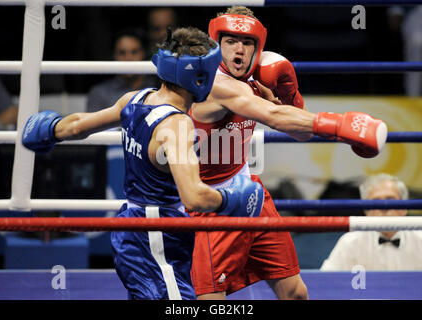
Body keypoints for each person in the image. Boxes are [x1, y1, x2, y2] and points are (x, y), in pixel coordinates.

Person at [21, 27, 265, 300]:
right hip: (157, 235)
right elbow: (194, 196)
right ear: (199, 76)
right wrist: (232, 199)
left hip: (134, 226)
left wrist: (51, 128)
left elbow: (77, 126)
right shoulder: (177, 124)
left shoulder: (135, 98)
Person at [188, 6, 388, 300]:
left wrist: (290, 98)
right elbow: (274, 117)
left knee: (295, 293)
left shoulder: (255, 82)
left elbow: (299, 133)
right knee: (211, 300)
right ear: (217, 44)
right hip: (211, 201)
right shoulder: (215, 84)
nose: (239, 51)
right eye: (231, 42)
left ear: (258, 47)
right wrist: (342, 125)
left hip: (248, 192)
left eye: (247, 43)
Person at [320, 173, 422, 271]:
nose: (384, 207)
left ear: (404, 208)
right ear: (367, 211)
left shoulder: (420, 240)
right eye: (376, 201)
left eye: (390, 199)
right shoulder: (350, 242)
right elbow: (325, 280)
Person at [86, 29, 158, 113]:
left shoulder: (158, 88)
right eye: (122, 53)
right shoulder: (99, 93)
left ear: (144, 53)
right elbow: (92, 125)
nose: (128, 58)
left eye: (134, 52)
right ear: (114, 55)